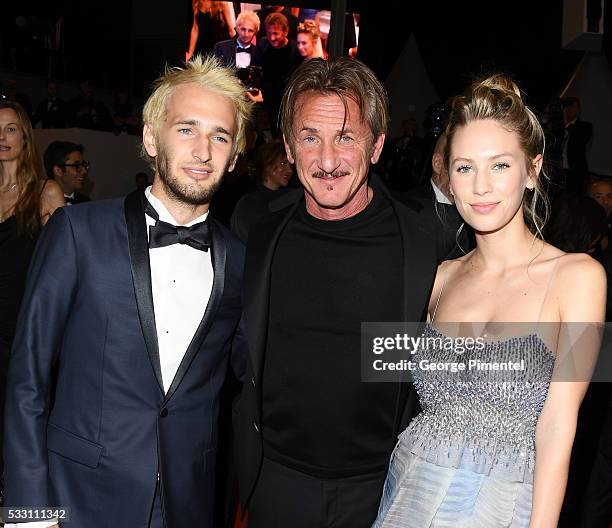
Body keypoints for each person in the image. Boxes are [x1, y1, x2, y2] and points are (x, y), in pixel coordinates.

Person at [4, 55, 252, 528]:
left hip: (188, 504)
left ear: (234, 157)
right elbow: (27, 378)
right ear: (150, 138)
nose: (203, 151)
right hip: (75, 500)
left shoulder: (240, 260)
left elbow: (254, 375)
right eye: (186, 129)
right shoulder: (78, 232)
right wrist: (27, 511)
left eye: (220, 137)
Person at [374, 74, 606, 527]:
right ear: (447, 175)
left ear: (533, 170)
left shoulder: (578, 278)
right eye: (464, 167)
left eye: (499, 165)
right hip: (410, 491)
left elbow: (558, 427)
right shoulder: (438, 279)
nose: (480, 186)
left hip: (504, 507)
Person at [234, 57, 440, 527]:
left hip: (384, 485)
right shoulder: (255, 230)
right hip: (275, 481)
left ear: (377, 146)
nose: (327, 162)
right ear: (288, 147)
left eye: (346, 137)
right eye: (311, 138)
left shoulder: (425, 241)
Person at [0, 100, 64, 505]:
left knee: (18, 435)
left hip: (21, 335)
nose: (1, 138)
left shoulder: (46, 192)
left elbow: (64, 271)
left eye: (9, 129)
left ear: (25, 135)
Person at [230, 139, 293, 241]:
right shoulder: (251, 202)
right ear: (268, 165)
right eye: (283, 163)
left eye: (290, 165)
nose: (289, 170)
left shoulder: (288, 198)